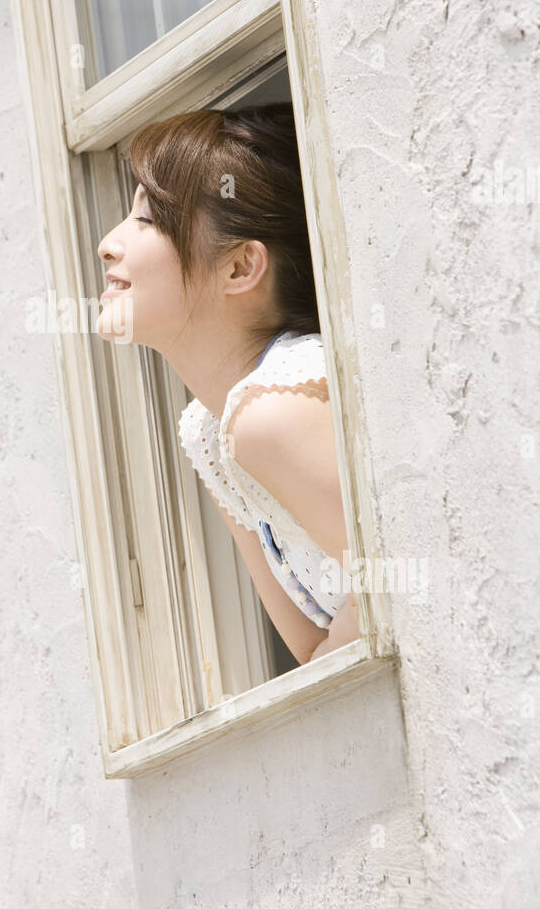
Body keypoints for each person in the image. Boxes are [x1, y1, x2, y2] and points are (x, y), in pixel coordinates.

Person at [96, 103, 359, 667]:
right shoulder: (212, 431)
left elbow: (402, 590)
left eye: (147, 220)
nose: (108, 244)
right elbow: (314, 653)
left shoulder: (272, 412)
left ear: (240, 268)